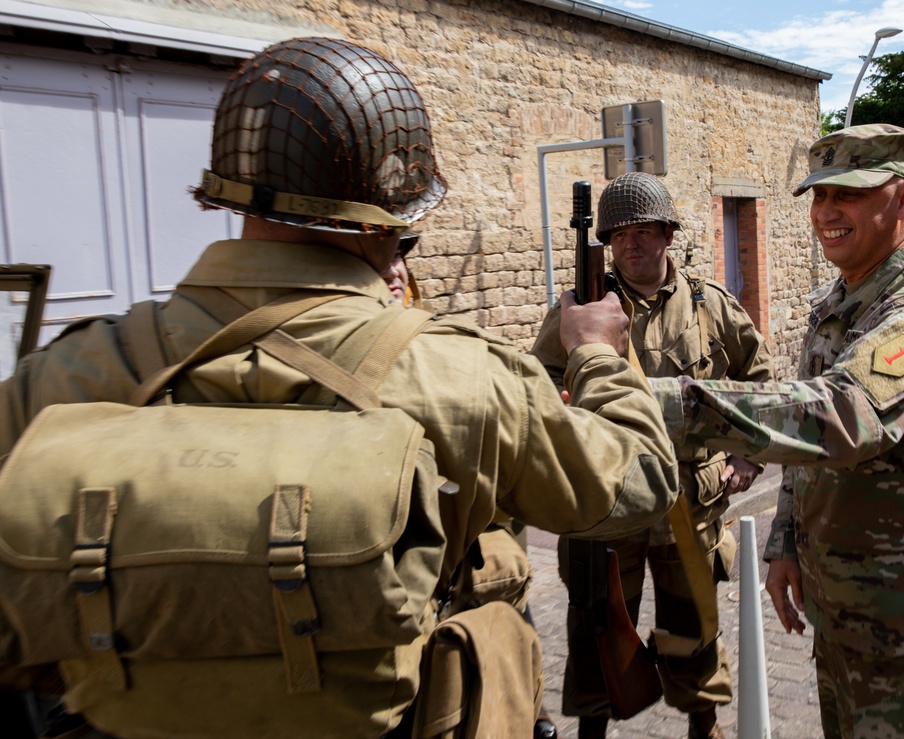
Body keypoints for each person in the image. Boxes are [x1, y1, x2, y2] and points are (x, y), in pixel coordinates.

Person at [0, 38, 680, 737]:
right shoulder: (461, 378)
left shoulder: (64, 377)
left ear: (227, 190)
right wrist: (596, 352)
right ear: (398, 212)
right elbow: (638, 479)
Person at [649, 123, 904, 737]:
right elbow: (806, 454)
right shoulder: (842, 301)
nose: (827, 212)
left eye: (850, 194)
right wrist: (785, 543)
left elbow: (834, 417)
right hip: (841, 617)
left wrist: (664, 403)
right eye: (819, 195)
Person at [531, 171, 774, 739]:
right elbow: (537, 379)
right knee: (595, 631)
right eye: (617, 235)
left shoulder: (711, 307)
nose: (629, 244)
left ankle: (702, 727)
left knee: (694, 634)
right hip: (608, 504)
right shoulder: (583, 310)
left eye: (642, 231)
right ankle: (593, 729)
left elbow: (760, 382)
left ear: (668, 233)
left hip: (691, 504)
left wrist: (748, 458)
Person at [381, 234, 559, 739]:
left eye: (400, 256)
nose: (395, 271)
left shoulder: (445, 350)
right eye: (381, 258)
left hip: (467, 569)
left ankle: (533, 706)